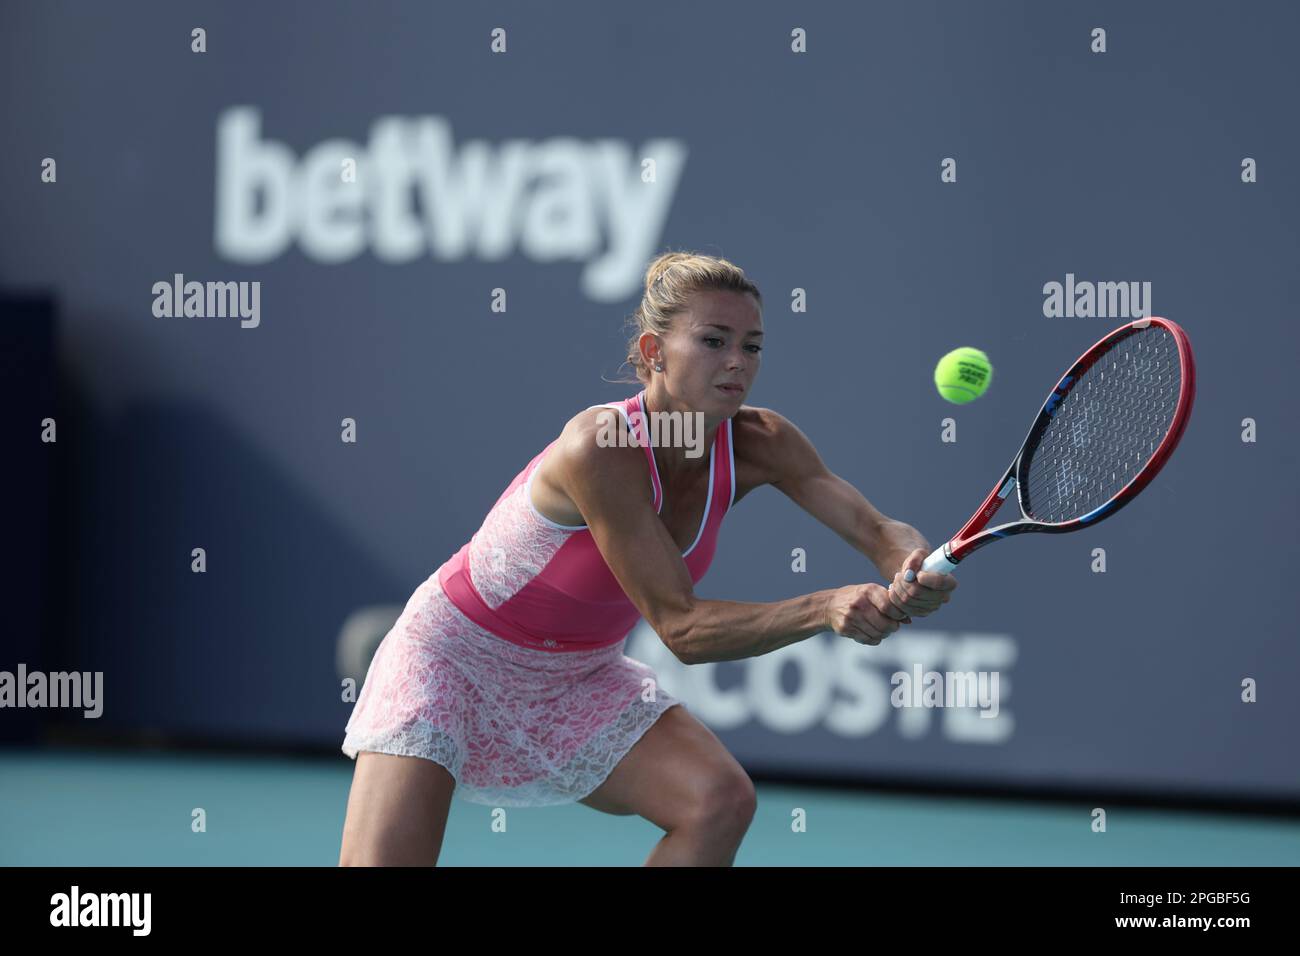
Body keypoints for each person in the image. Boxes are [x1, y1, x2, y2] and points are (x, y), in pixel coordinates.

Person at [338, 251, 958, 866]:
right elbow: (681, 627)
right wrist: (825, 606)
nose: (737, 362)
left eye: (752, 346)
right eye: (714, 341)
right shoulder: (599, 446)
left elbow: (875, 529)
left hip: (577, 677)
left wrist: (911, 564)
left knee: (717, 801)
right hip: (453, 658)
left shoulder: (761, 442)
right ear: (655, 351)